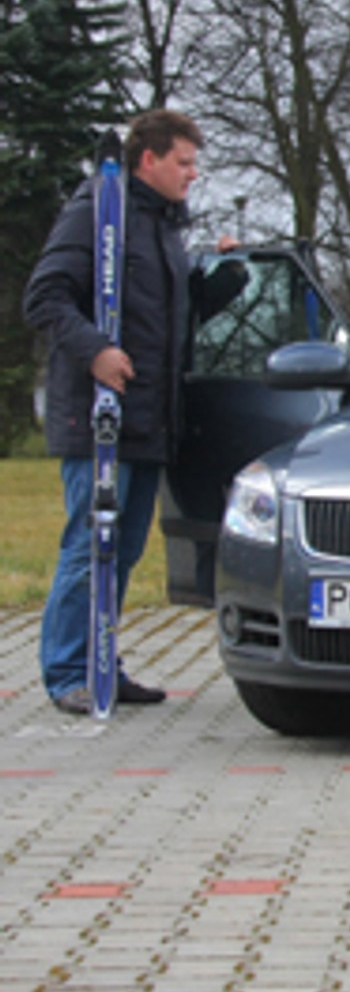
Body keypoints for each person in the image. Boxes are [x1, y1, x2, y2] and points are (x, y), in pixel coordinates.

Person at [23, 110, 226, 714]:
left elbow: (164, 323)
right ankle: (66, 672)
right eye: (184, 163)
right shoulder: (97, 212)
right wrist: (96, 354)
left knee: (124, 549)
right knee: (91, 543)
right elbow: (46, 296)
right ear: (149, 160)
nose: (193, 175)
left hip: (147, 420)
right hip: (97, 419)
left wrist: (220, 284)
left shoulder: (163, 229)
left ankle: (100, 659)